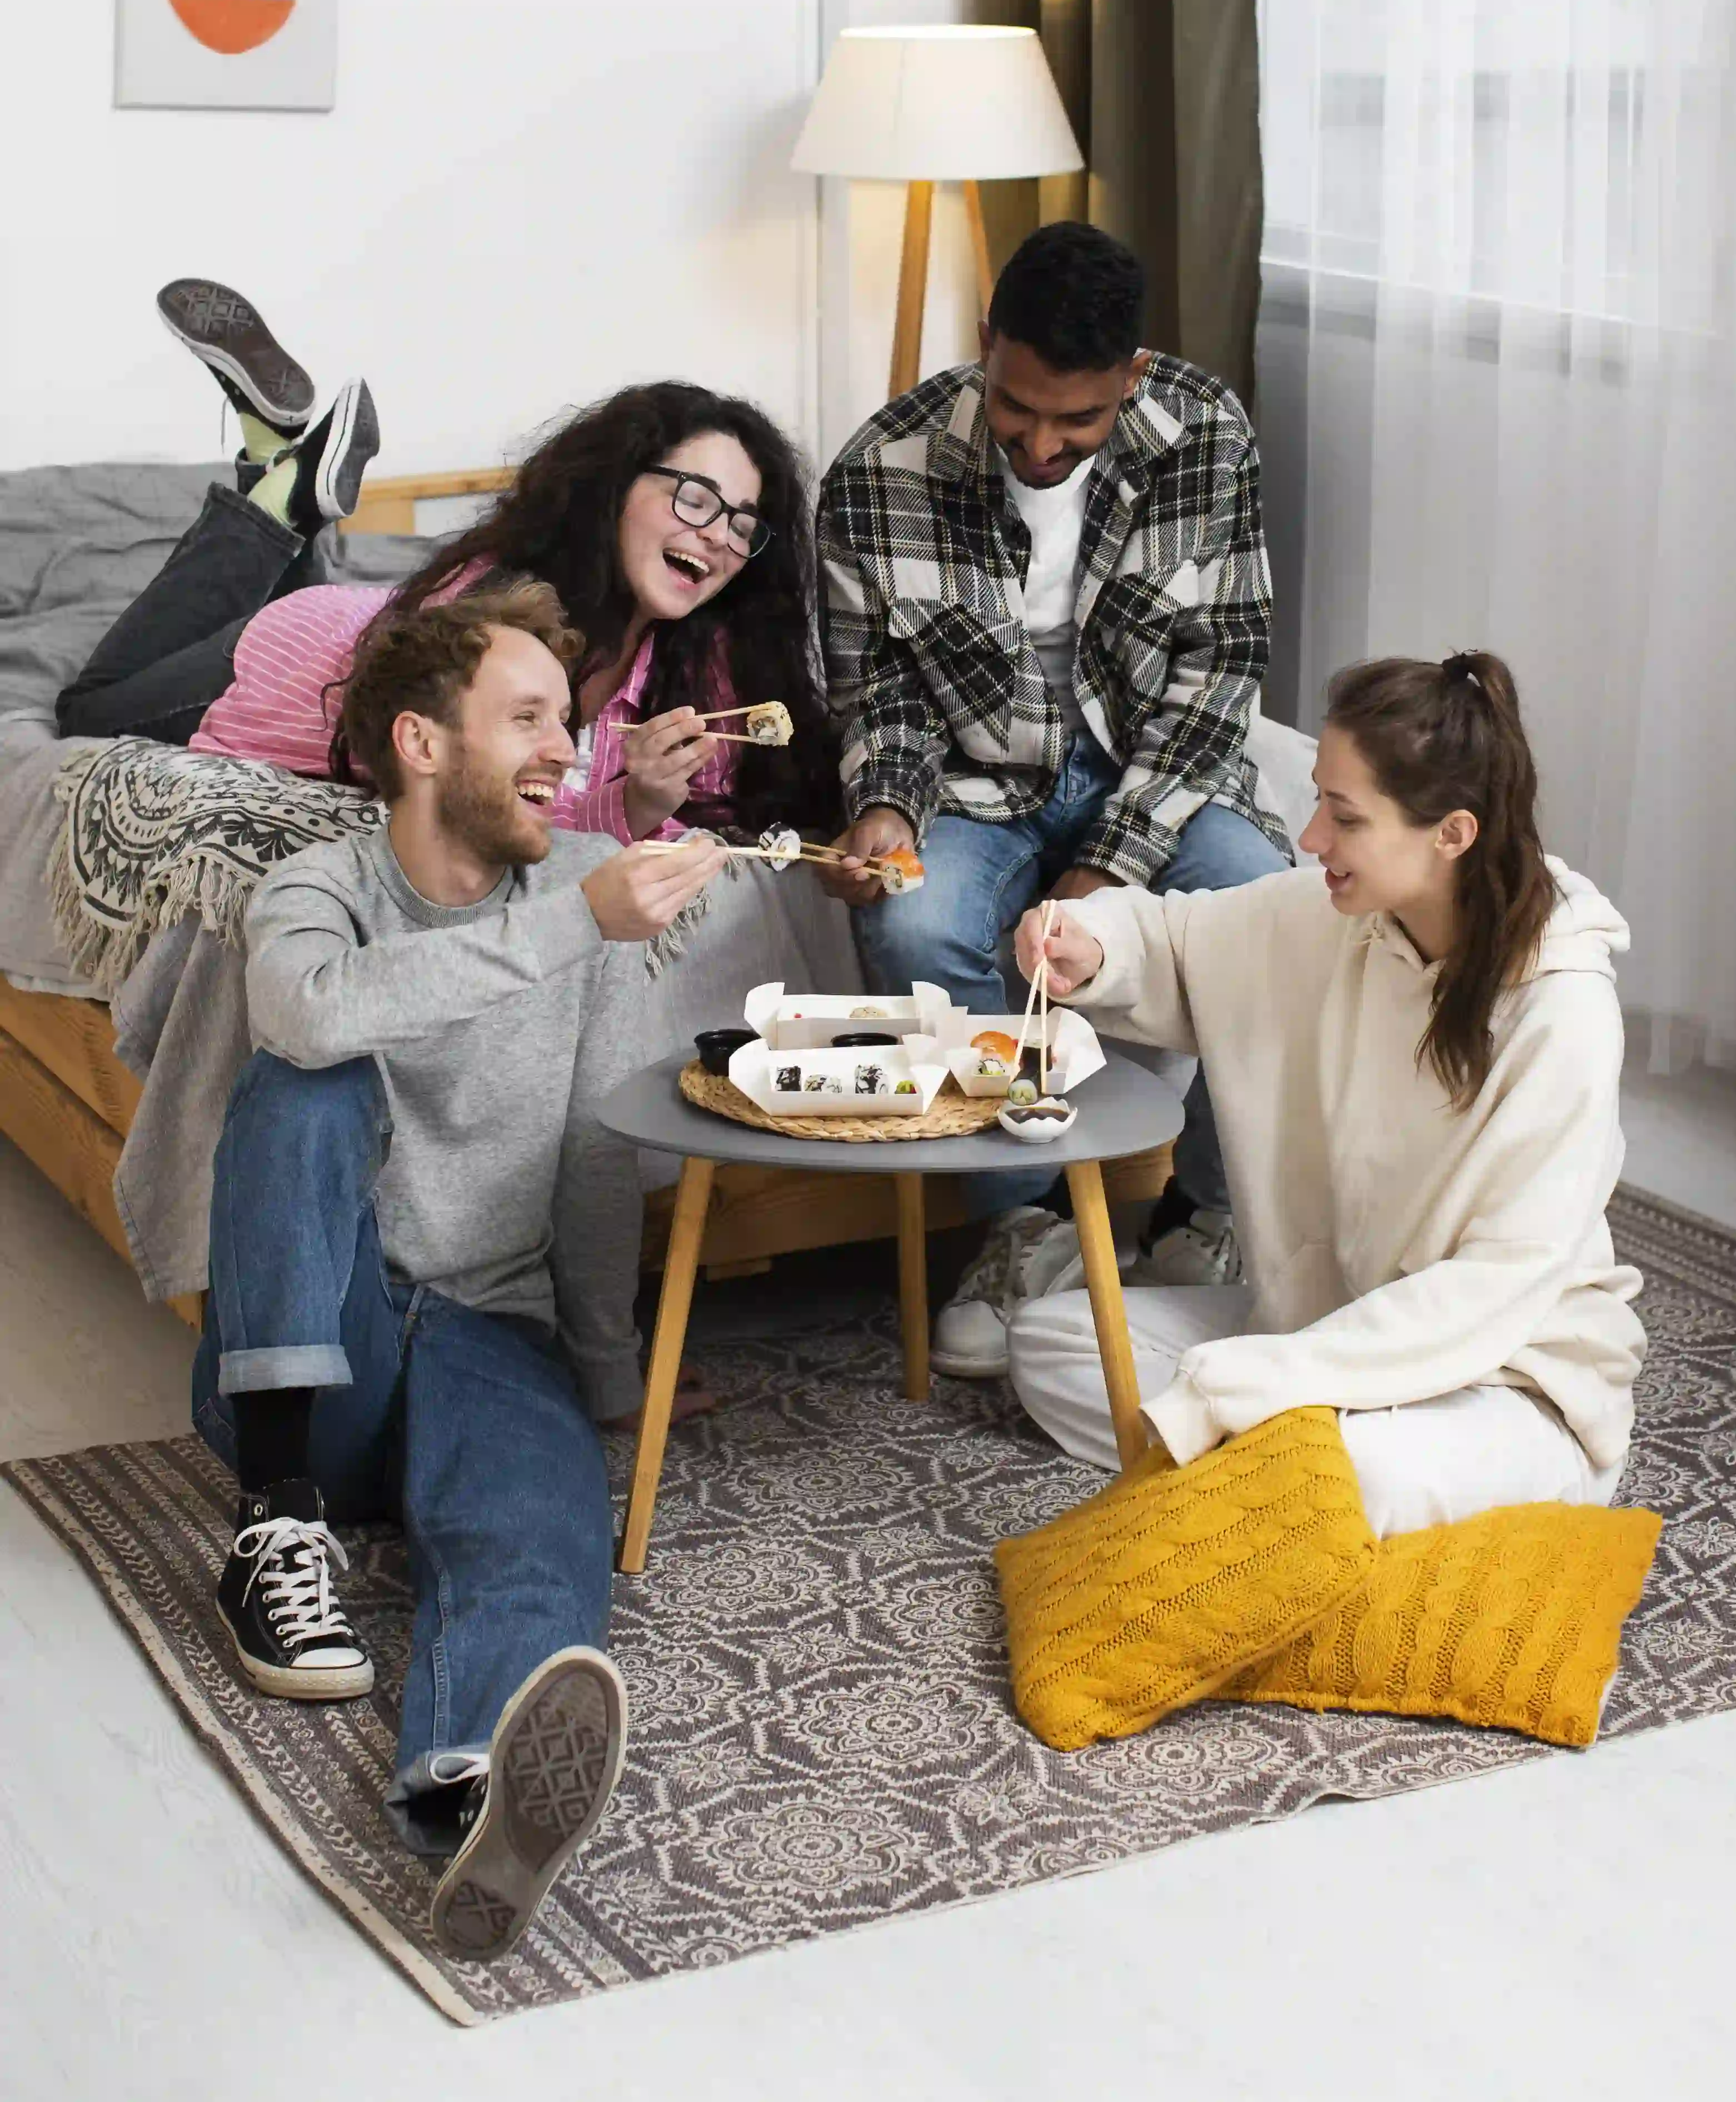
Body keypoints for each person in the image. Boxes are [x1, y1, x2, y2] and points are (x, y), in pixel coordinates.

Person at [191, 581, 725, 1957]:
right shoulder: (320, 890)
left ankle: (470, 1793)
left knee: (543, 1535)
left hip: (493, 1325)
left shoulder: (587, 909)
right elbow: (306, 1014)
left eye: (572, 720)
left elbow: (601, 1160)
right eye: (531, 720)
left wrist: (606, 1379)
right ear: (423, 744)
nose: (571, 753)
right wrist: (572, 922)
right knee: (298, 1082)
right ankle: (279, 1522)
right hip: (333, 1348)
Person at [1004, 652, 1647, 1538]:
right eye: (1318, 801)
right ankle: (1277, 1482)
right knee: (1055, 1340)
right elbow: (1183, 941)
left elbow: (1492, 1290)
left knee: (1364, 1470)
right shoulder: (1337, 916)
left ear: (1452, 833)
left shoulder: (1562, 1007)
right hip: (1327, 1326)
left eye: (1344, 817)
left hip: (1500, 1382)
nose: (1311, 838)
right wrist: (1092, 943)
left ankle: (1276, 1476)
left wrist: (1264, 1380)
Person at [816, 220, 1291, 1380]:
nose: (1040, 442)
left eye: (1075, 422)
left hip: (1156, 770)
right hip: (979, 785)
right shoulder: (882, 467)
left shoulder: (1205, 437)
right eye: (1018, 404)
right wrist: (884, 805)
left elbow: (1218, 674)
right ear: (987, 344)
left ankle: (1212, 1217)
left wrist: (1106, 872)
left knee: (1262, 904)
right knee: (916, 920)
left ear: (1130, 379)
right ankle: (1025, 1226)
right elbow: (880, 687)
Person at [57, 279, 837, 845]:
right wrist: (626, 808)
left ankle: (274, 450)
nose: (717, 536)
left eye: (744, 523)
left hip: (372, 631)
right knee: (88, 712)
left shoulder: (702, 663)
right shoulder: (499, 611)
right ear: (615, 488)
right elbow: (460, 802)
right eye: (696, 498)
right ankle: (284, 497)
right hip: (302, 666)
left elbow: (733, 793)